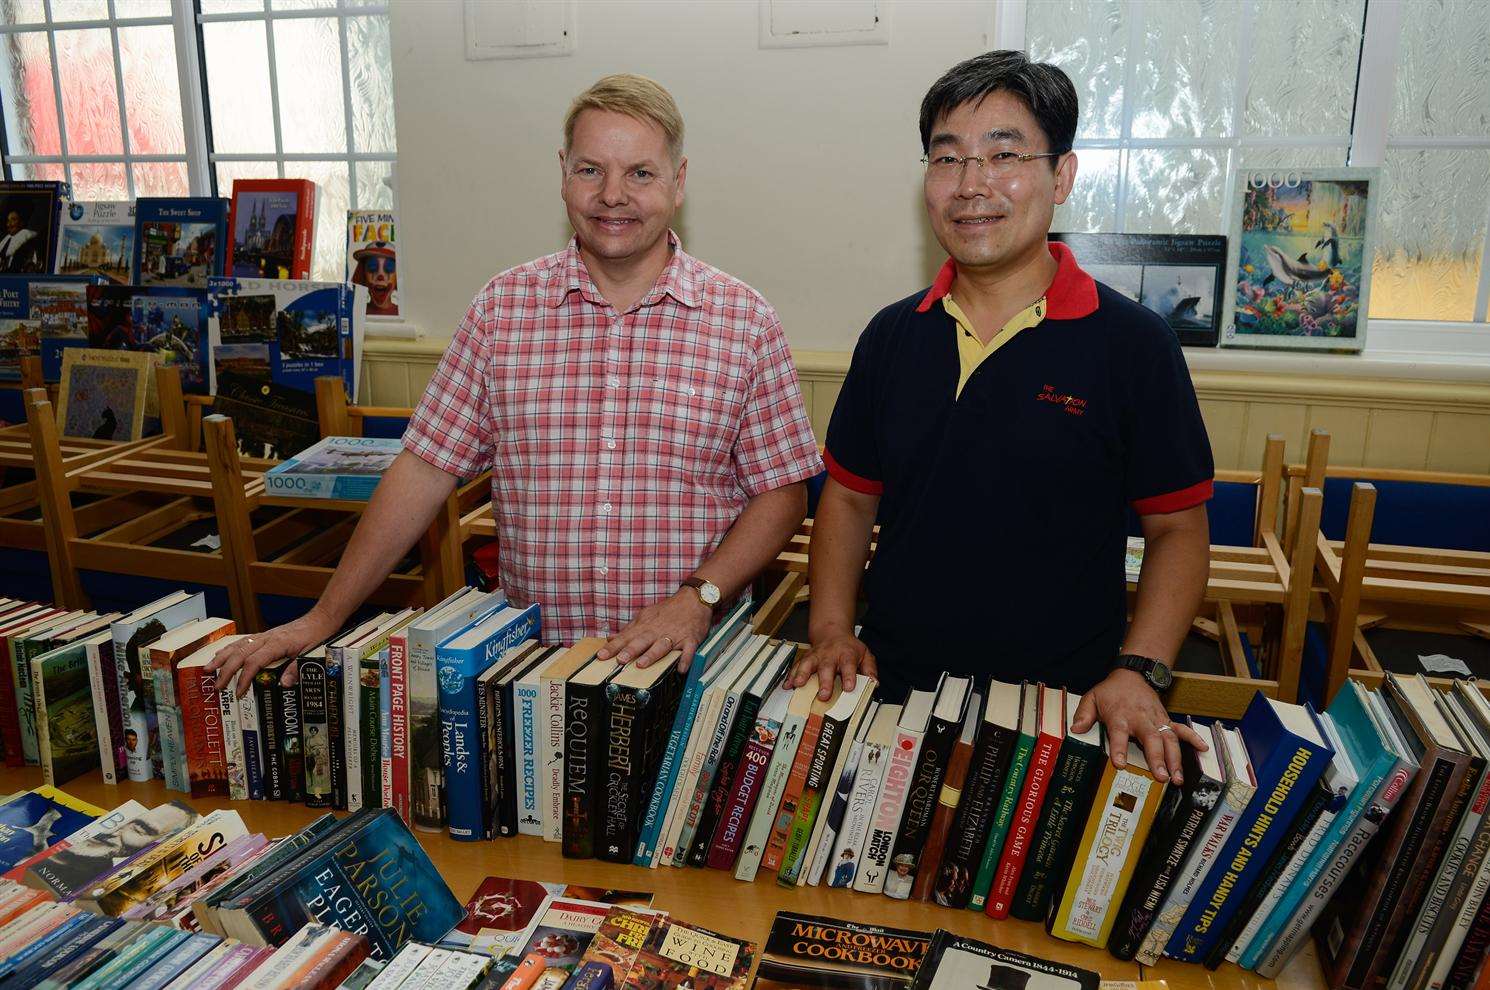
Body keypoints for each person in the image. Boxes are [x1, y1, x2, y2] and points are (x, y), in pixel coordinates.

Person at [209, 74, 821, 694]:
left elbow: (782, 495)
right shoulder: (501, 310)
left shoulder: (744, 320)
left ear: (679, 181)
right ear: (562, 174)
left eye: (640, 173)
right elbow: (422, 472)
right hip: (532, 683)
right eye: (590, 170)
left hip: (692, 673)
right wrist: (324, 616)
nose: (613, 195)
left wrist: (699, 595)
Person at [791, 51, 1213, 784]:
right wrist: (830, 627)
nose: (971, 185)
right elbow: (851, 498)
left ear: (1063, 177)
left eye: (1004, 154)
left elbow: (1178, 529)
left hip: (1061, 710)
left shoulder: (1135, 346)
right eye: (947, 158)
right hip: (892, 698)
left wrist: (1142, 670)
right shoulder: (892, 336)